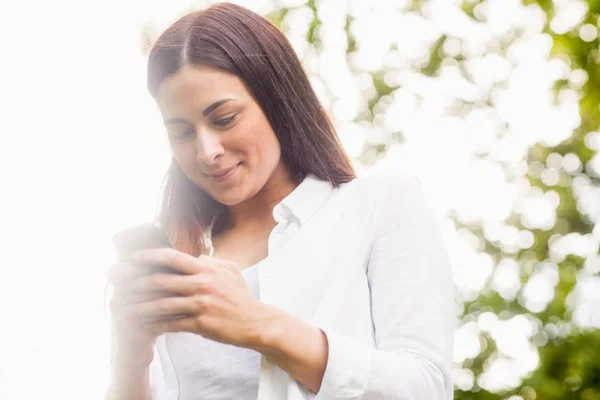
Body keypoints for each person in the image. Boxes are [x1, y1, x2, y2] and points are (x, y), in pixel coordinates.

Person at [106, 2, 455, 400]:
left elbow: (425, 388)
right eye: (182, 131)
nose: (207, 151)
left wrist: (258, 325)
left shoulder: (378, 205)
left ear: (277, 100)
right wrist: (131, 355)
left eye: (224, 119)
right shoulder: (182, 263)